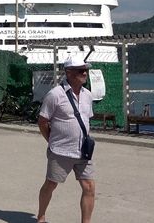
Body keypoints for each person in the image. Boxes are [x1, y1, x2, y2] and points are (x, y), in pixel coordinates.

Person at [37, 56, 95, 223]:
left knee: (89, 187)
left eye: (86, 69)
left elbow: (86, 119)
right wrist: (51, 141)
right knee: (51, 184)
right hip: (60, 151)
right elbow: (42, 121)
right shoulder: (55, 95)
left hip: (83, 150)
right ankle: (41, 216)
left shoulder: (88, 95)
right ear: (68, 72)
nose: (84, 72)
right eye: (80, 70)